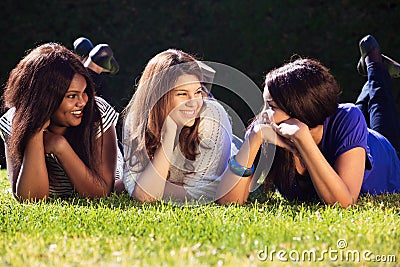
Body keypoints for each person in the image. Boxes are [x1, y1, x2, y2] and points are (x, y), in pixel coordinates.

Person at [216, 35, 400, 207]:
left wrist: (303, 140)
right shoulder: (264, 127)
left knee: (378, 108)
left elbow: (344, 202)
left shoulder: (346, 118)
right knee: (357, 112)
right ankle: (375, 69)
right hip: (341, 129)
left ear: (299, 110)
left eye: (271, 106)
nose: (263, 114)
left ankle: (374, 64)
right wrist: (253, 138)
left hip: (380, 150)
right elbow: (228, 201)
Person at [0, 42, 122, 201]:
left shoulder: (97, 113)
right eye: (72, 96)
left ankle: (92, 67)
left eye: (84, 92)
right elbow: (30, 199)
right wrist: (35, 133)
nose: (82, 102)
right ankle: (92, 64)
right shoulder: (14, 120)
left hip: (117, 157)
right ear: (45, 100)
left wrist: (60, 146)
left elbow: (101, 192)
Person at [122, 49, 234, 204]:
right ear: (159, 95)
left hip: (230, 150)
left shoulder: (212, 116)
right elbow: (143, 195)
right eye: (182, 94)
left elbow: (205, 193)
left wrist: (154, 183)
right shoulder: (136, 119)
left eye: (197, 92)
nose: (194, 102)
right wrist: (169, 136)